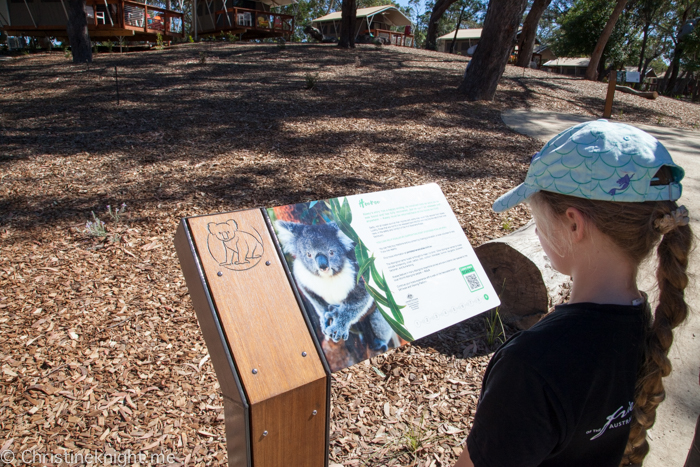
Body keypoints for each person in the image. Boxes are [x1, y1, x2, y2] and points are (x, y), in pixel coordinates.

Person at [454, 119, 692, 467]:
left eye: (537, 217)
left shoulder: (530, 368)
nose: (536, 230)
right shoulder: (644, 319)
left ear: (574, 224)